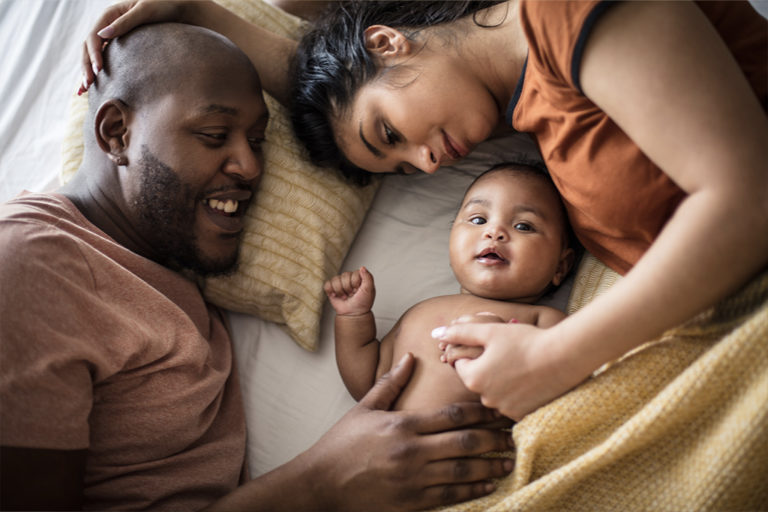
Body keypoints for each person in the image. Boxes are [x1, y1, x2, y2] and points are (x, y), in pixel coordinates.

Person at [80, 0, 768, 425]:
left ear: (388, 42)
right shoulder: (514, 100)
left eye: (393, 137)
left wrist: (559, 355)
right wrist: (196, 11)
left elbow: (749, 199)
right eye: (404, 166)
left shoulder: (565, 13)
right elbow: (330, 79)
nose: (429, 164)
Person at [0, 22, 515, 512]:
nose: (250, 166)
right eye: (213, 133)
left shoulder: (159, 260)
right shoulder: (30, 264)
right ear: (116, 132)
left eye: (257, 140)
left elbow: (382, 87)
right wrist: (321, 483)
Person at [325, 163, 575, 413]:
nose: (494, 232)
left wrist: (506, 344)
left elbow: (561, 391)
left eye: (523, 226)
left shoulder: (545, 322)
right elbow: (368, 387)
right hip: (387, 443)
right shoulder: (419, 313)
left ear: (560, 267)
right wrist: (353, 318)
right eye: (478, 219)